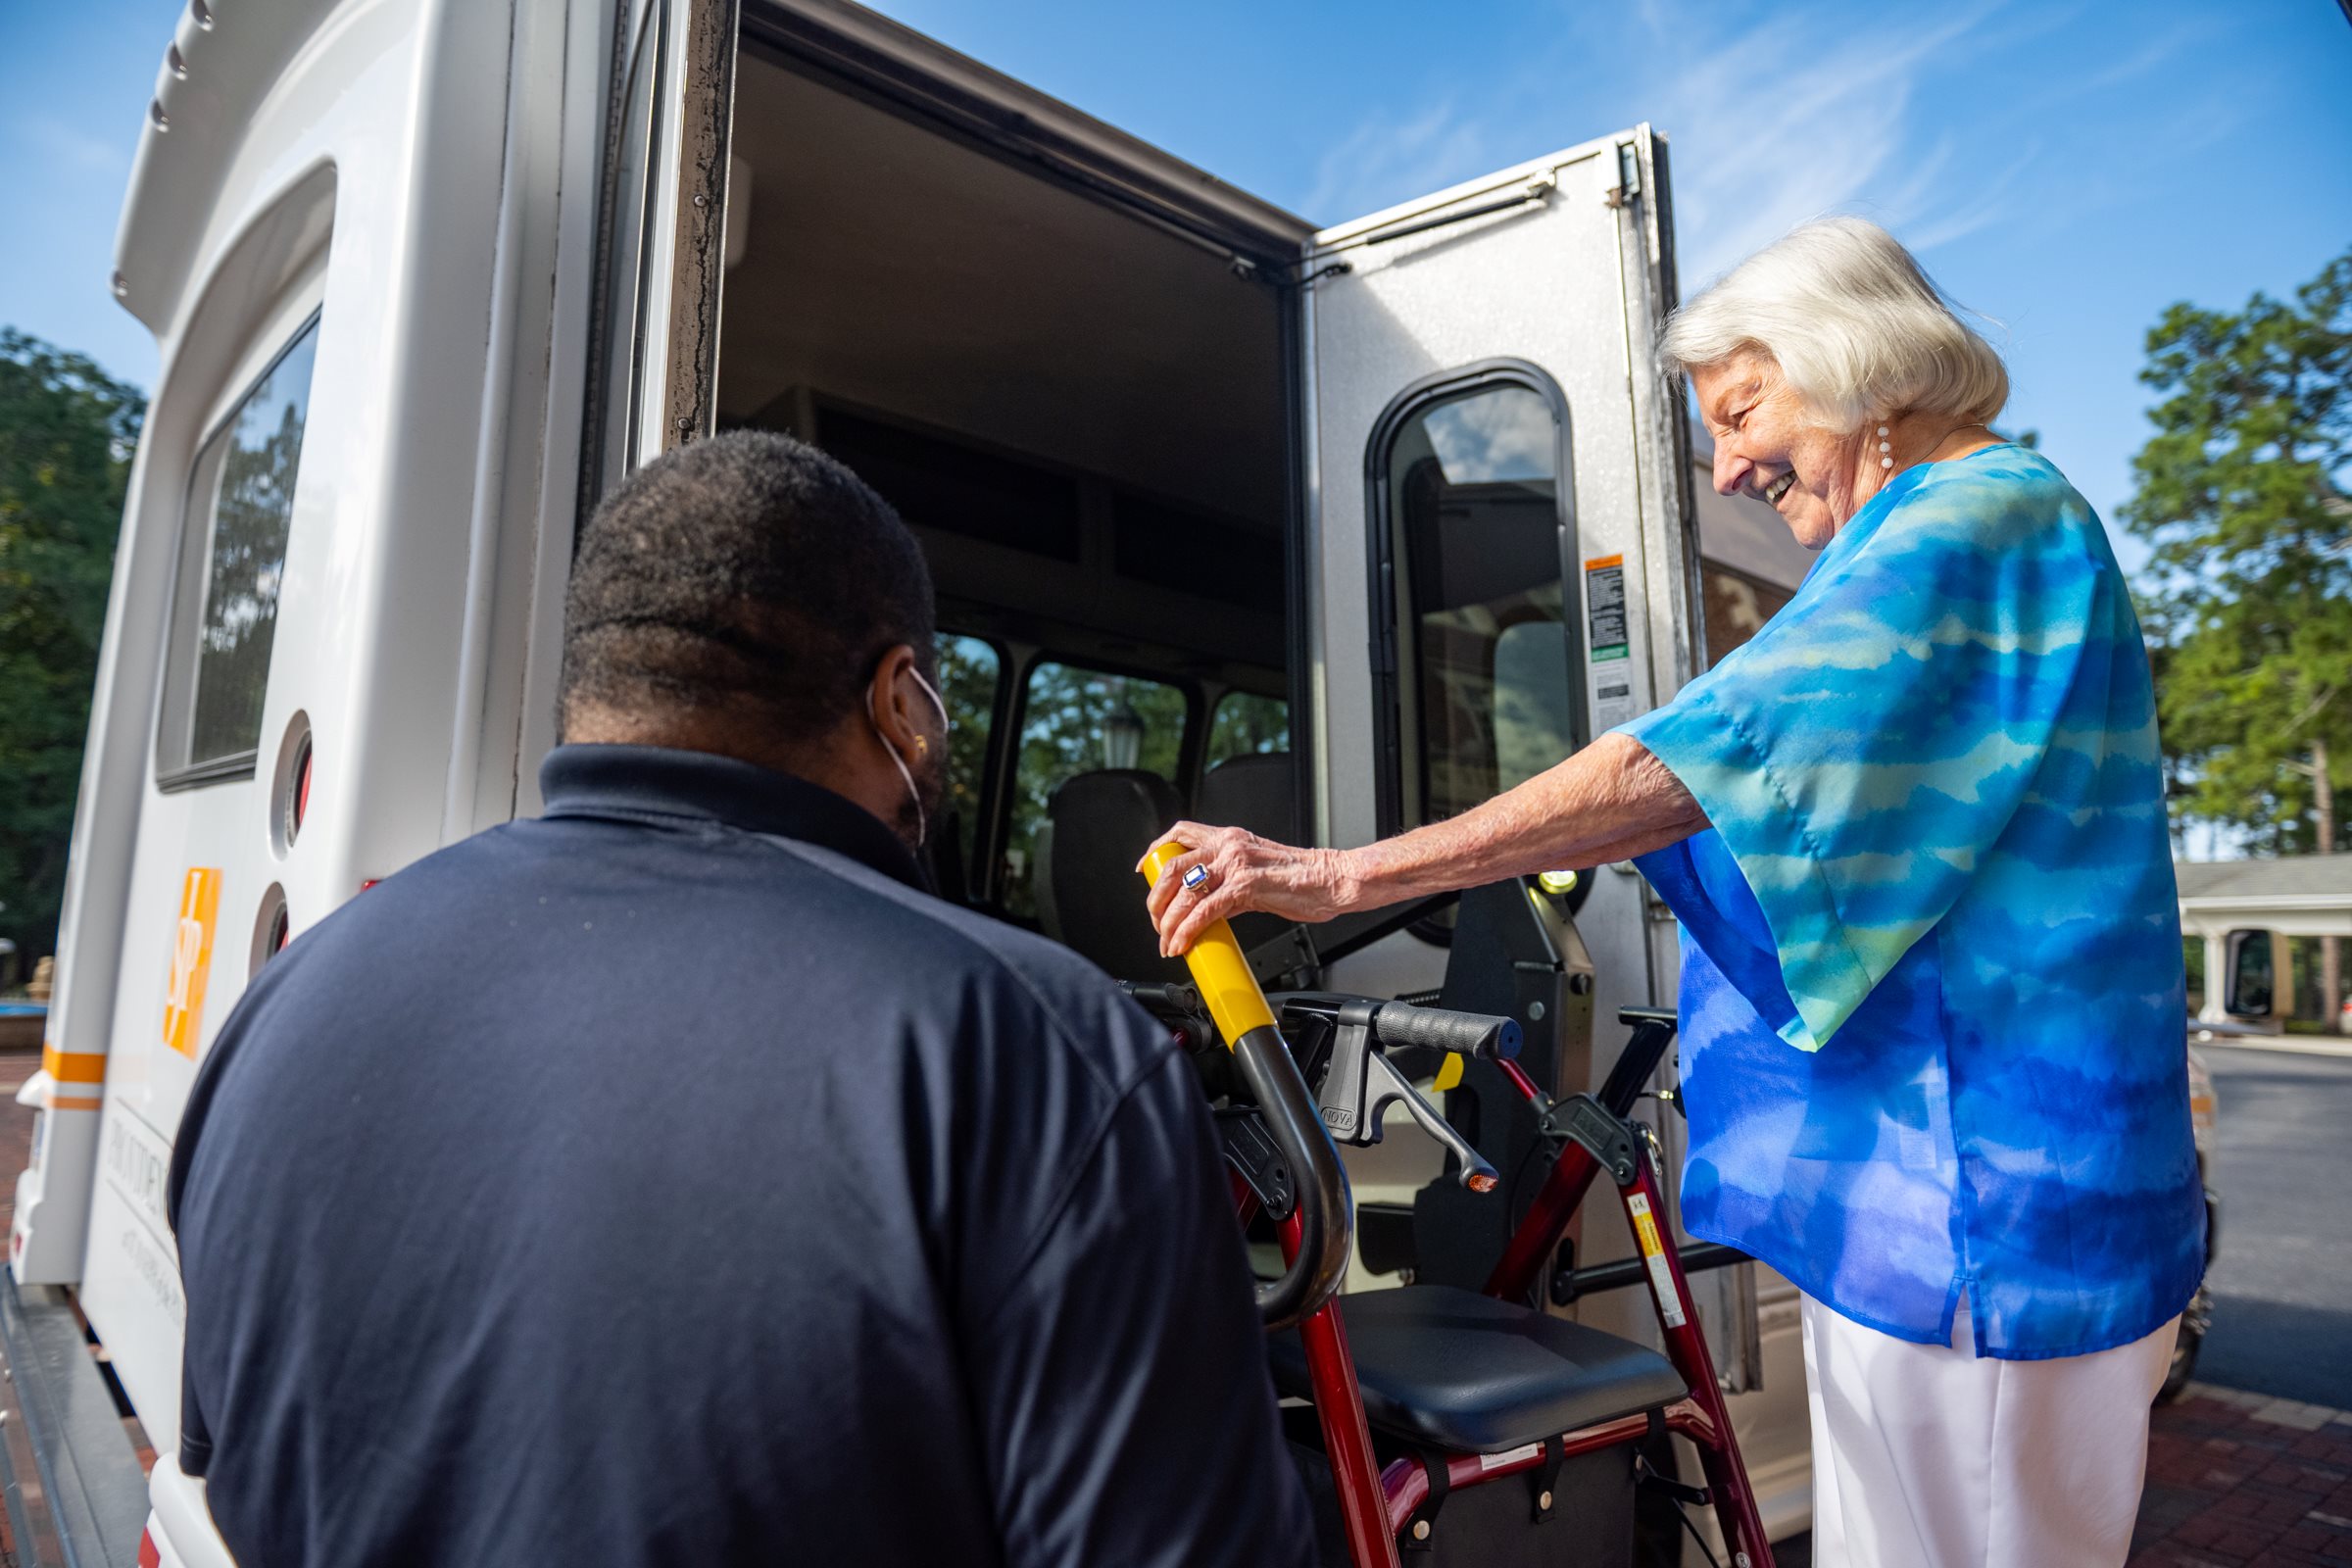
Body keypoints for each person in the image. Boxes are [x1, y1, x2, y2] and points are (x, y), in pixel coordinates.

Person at [1144, 218, 2203, 1568]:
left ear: (1859, 364)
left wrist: (1342, 874)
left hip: (1980, 1216)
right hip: (1936, 1211)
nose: (1731, 467)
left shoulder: (1980, 518)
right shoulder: (1948, 531)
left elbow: (1706, 758)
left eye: (1743, 412)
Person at [170, 431, 1314, 1568]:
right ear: (901, 701)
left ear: (597, 686)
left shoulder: (288, 1006)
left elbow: (235, 1472)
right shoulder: (1046, 1058)